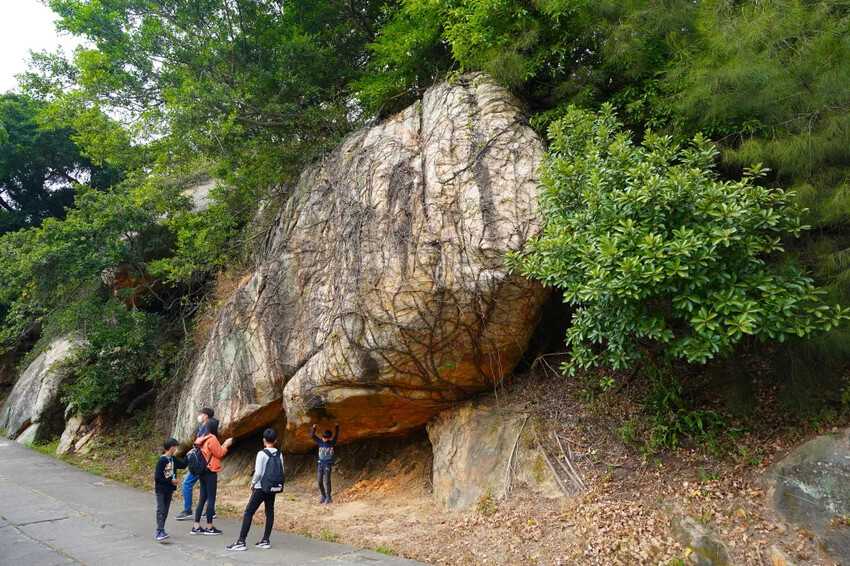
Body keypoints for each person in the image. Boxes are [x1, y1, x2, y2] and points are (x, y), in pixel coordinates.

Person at [226, 428, 284, 551]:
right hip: (272, 487)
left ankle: (241, 541)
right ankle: (266, 540)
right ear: (276, 440)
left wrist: (252, 483)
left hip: (260, 487)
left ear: (264, 440)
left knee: (249, 512)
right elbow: (282, 470)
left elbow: (258, 472)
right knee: (269, 513)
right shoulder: (279, 454)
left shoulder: (262, 454)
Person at [191, 417, 233, 535]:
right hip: (210, 470)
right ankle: (209, 527)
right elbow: (219, 453)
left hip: (202, 470)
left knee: (202, 498)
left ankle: (196, 526)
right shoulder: (212, 438)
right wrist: (225, 445)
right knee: (211, 499)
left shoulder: (201, 438)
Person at [176, 407, 214, 520]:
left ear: (206, 416)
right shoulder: (210, 427)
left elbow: (200, 444)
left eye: (201, 414)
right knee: (206, 486)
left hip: (200, 461)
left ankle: (188, 510)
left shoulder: (206, 428)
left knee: (187, 483)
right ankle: (210, 510)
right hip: (206, 461)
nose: (200, 416)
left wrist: (194, 447)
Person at [155, 438, 187, 541]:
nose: (176, 448)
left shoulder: (173, 459)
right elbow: (157, 478)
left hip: (169, 489)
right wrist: (171, 481)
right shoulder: (162, 460)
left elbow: (182, 465)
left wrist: (189, 455)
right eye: (175, 446)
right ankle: (159, 532)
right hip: (161, 489)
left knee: (165, 510)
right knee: (161, 510)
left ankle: (162, 530)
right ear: (171, 447)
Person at [310, 422, 339, 504]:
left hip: (327, 464)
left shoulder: (331, 443)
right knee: (319, 481)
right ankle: (323, 496)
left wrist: (336, 426)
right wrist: (314, 428)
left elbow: (336, 435)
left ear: (329, 438)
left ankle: (329, 497)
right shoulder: (320, 442)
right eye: (323, 437)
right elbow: (312, 436)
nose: (323, 439)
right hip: (320, 465)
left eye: (325, 438)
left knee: (327, 481)